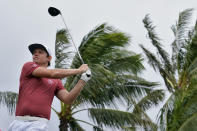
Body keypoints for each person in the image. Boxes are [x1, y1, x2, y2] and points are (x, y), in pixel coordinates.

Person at [8, 43, 91, 131]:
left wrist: (83, 80)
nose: (36, 54)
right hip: (18, 122)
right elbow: (53, 73)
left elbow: (68, 99)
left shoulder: (56, 81)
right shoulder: (28, 66)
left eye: (40, 52)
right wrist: (79, 70)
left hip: (38, 124)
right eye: (34, 52)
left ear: (49, 58)